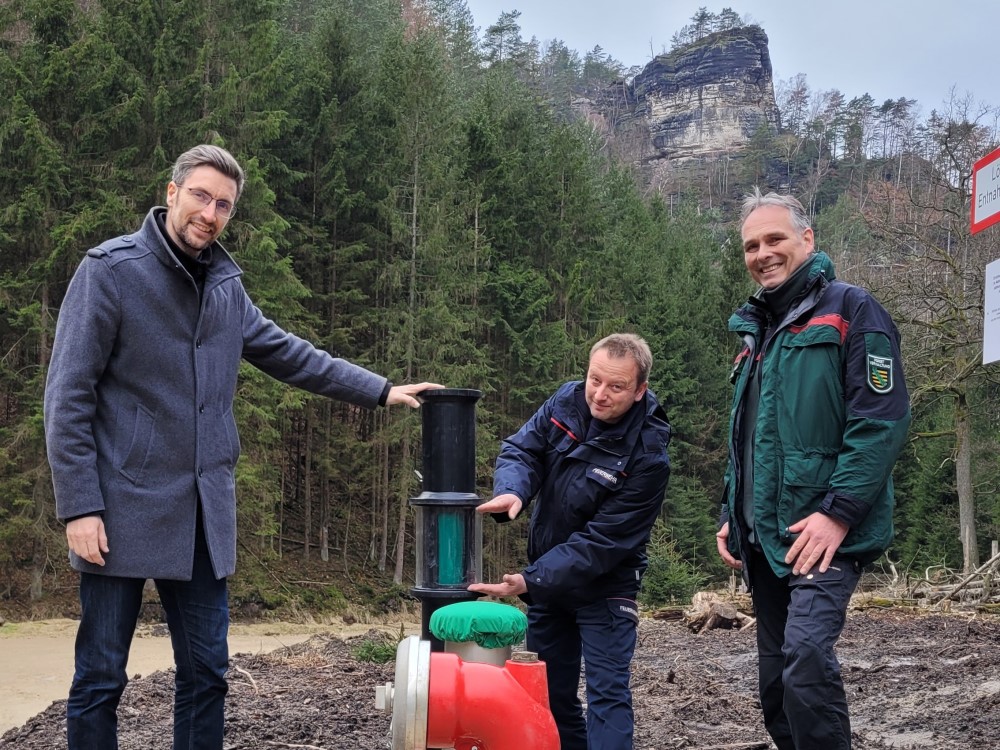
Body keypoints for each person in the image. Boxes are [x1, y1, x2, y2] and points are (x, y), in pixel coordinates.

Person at [43, 144, 441, 750]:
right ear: (172, 192)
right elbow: (67, 396)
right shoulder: (110, 271)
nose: (210, 212)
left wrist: (381, 390)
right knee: (100, 676)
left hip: (202, 516)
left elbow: (291, 354)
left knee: (207, 674)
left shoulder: (226, 288)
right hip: (117, 511)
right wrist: (79, 506)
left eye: (224, 204)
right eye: (201, 196)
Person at [716, 189, 911, 750]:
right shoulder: (755, 333)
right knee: (776, 687)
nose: (763, 253)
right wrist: (734, 509)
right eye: (751, 245)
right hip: (765, 535)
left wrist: (838, 514)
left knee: (805, 663)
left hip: (824, 533)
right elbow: (750, 436)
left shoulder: (853, 310)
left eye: (775, 238)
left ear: (807, 239)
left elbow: (881, 422)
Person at [469, 333, 671, 750]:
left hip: (606, 588)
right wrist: (515, 490)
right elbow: (522, 450)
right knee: (548, 696)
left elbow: (602, 543)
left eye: (616, 386)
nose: (599, 394)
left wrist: (529, 580)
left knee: (607, 697)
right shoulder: (566, 400)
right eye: (594, 379)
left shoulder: (649, 456)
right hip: (548, 586)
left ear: (639, 391)